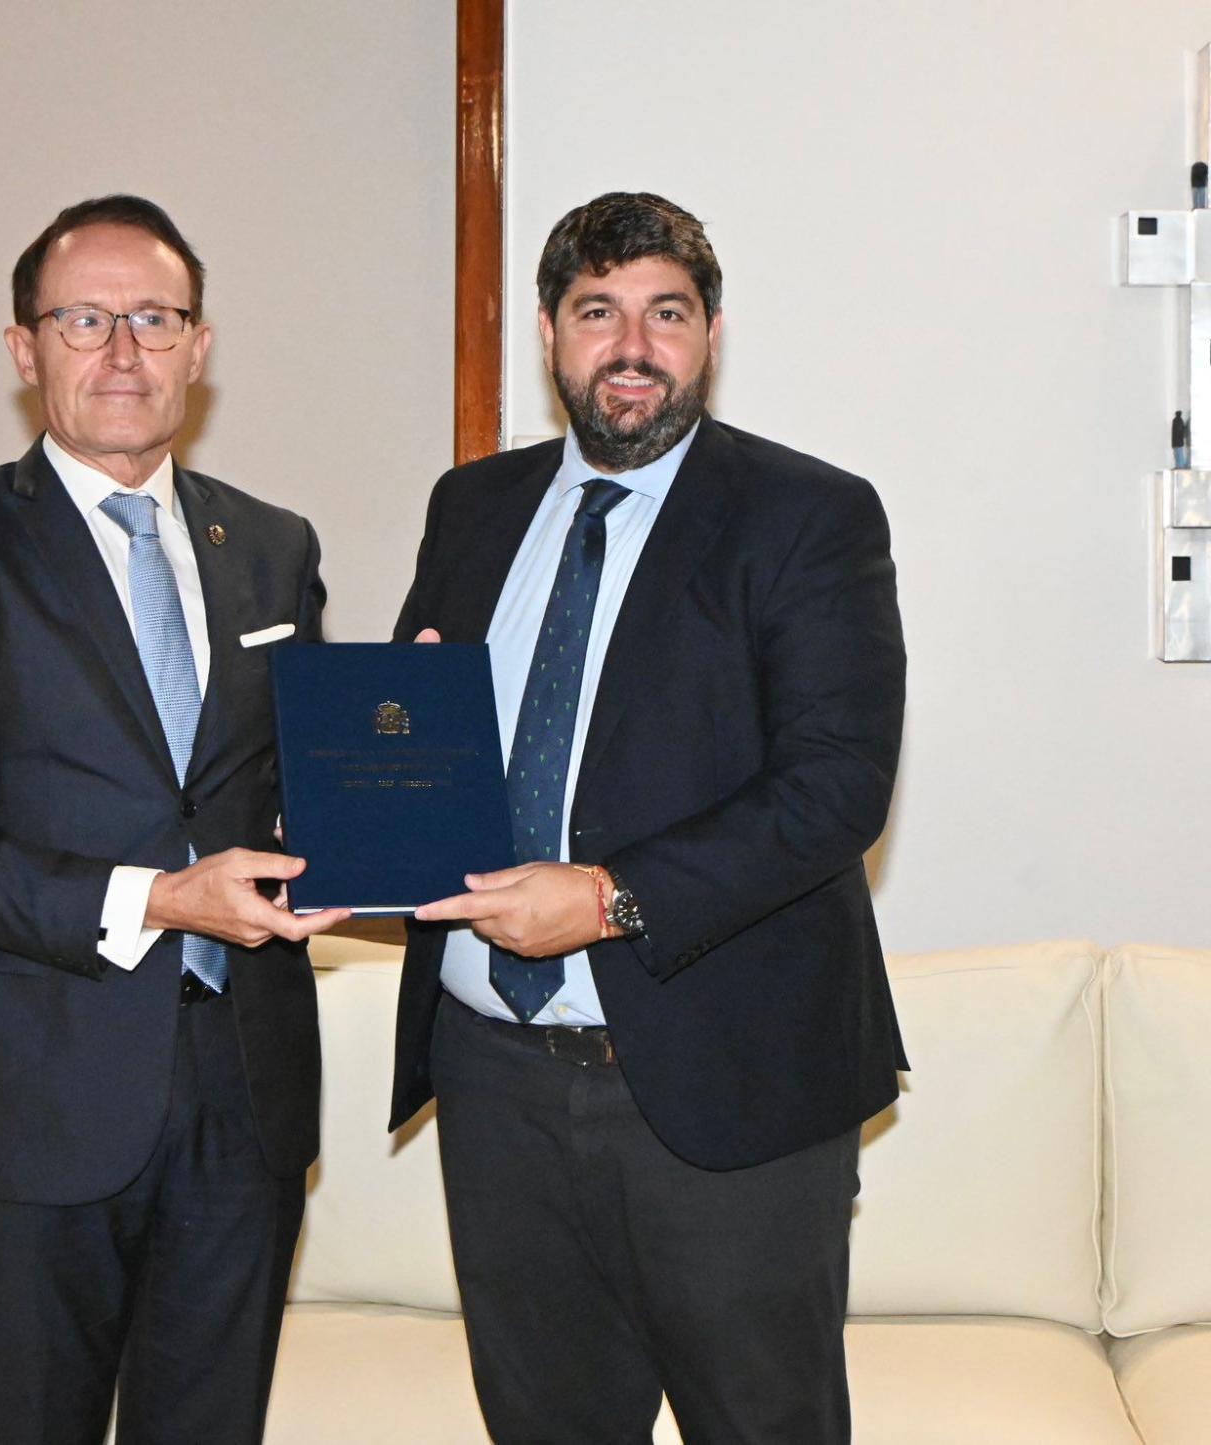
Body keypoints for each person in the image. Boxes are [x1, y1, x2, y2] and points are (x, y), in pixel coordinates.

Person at [390, 191, 908, 1444]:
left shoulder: (809, 515)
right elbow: (421, 736)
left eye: (663, 313)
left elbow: (835, 784)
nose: (631, 344)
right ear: (550, 334)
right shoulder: (471, 505)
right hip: (493, 1083)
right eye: (597, 312)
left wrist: (610, 895)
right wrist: (382, 754)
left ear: (709, 335)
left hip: (722, 1084)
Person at [0, 194, 348, 1445]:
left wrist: (399, 755)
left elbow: (289, 790)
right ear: (25, 350)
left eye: (154, 319)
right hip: (33, 1095)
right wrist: (155, 898)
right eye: (85, 319)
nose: (123, 352)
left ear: (199, 345)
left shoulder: (271, 545)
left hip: (244, 1093)